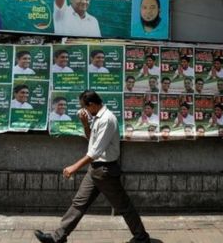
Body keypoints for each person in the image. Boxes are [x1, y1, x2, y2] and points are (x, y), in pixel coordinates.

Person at [34, 90, 150, 243]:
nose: (84, 111)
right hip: (95, 170)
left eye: (85, 107)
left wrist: (74, 167)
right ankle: (58, 237)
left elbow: (95, 151)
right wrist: (84, 123)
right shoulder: (97, 117)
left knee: (123, 206)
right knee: (79, 203)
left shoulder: (107, 119)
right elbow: (92, 141)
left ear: (93, 105)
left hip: (105, 171)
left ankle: (141, 237)